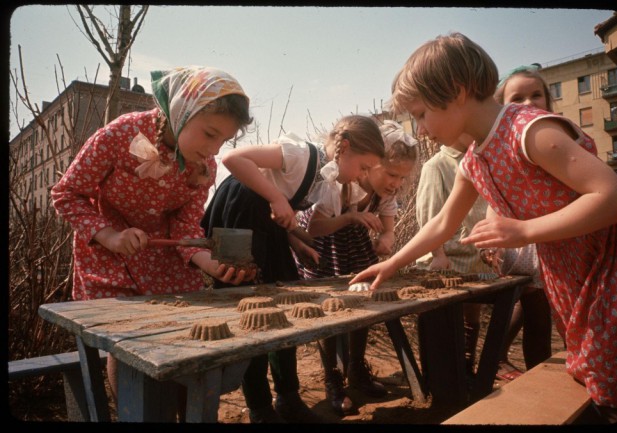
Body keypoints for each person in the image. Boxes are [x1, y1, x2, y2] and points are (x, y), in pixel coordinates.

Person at [350, 32, 617, 423]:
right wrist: (392, 263)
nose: (421, 129)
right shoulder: (475, 158)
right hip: (569, 277)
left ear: (457, 91)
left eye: (423, 114)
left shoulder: (527, 130)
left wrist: (523, 232)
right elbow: (444, 222)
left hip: (609, 272)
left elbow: (613, 197)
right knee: (597, 380)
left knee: (611, 381)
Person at [50, 66, 257, 416]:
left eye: (224, 141)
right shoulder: (121, 134)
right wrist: (110, 236)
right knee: (131, 343)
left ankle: (186, 411)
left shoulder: (202, 166)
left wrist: (210, 264)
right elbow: (67, 193)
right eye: (209, 134)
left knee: (187, 341)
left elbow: (185, 228)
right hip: (108, 253)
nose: (214, 149)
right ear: (181, 112)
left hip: (163, 258)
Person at [201, 114, 385, 423]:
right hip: (240, 216)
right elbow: (233, 158)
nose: (360, 176)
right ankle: (259, 407)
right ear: (344, 147)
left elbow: (282, 212)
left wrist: (297, 241)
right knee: (251, 313)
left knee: (285, 308)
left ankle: (288, 396)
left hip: (267, 228)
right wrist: (275, 198)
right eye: (363, 167)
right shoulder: (301, 154)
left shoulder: (325, 181)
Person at [295, 120, 418, 416]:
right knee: (330, 312)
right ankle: (333, 380)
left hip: (358, 249)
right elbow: (314, 229)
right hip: (325, 248)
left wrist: (386, 240)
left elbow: (388, 229)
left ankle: (356, 370)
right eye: (390, 174)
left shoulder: (385, 195)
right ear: (372, 163)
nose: (395, 184)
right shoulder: (338, 183)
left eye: (401, 178)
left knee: (364, 305)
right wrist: (351, 217)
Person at [487, 64, 554, 379]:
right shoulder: (506, 146)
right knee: (537, 314)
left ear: (548, 100)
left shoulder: (555, 136)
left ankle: (497, 358)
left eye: (536, 95)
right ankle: (538, 376)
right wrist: (494, 239)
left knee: (532, 310)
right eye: (518, 98)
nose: (529, 103)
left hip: (555, 238)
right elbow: (493, 197)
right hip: (525, 244)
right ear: (503, 108)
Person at [414, 134, 493, 379]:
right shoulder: (436, 165)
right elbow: (428, 215)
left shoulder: (480, 159)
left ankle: (466, 368)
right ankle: (440, 376)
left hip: (475, 256)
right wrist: (438, 253)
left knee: (472, 315)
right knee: (445, 322)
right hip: (448, 260)